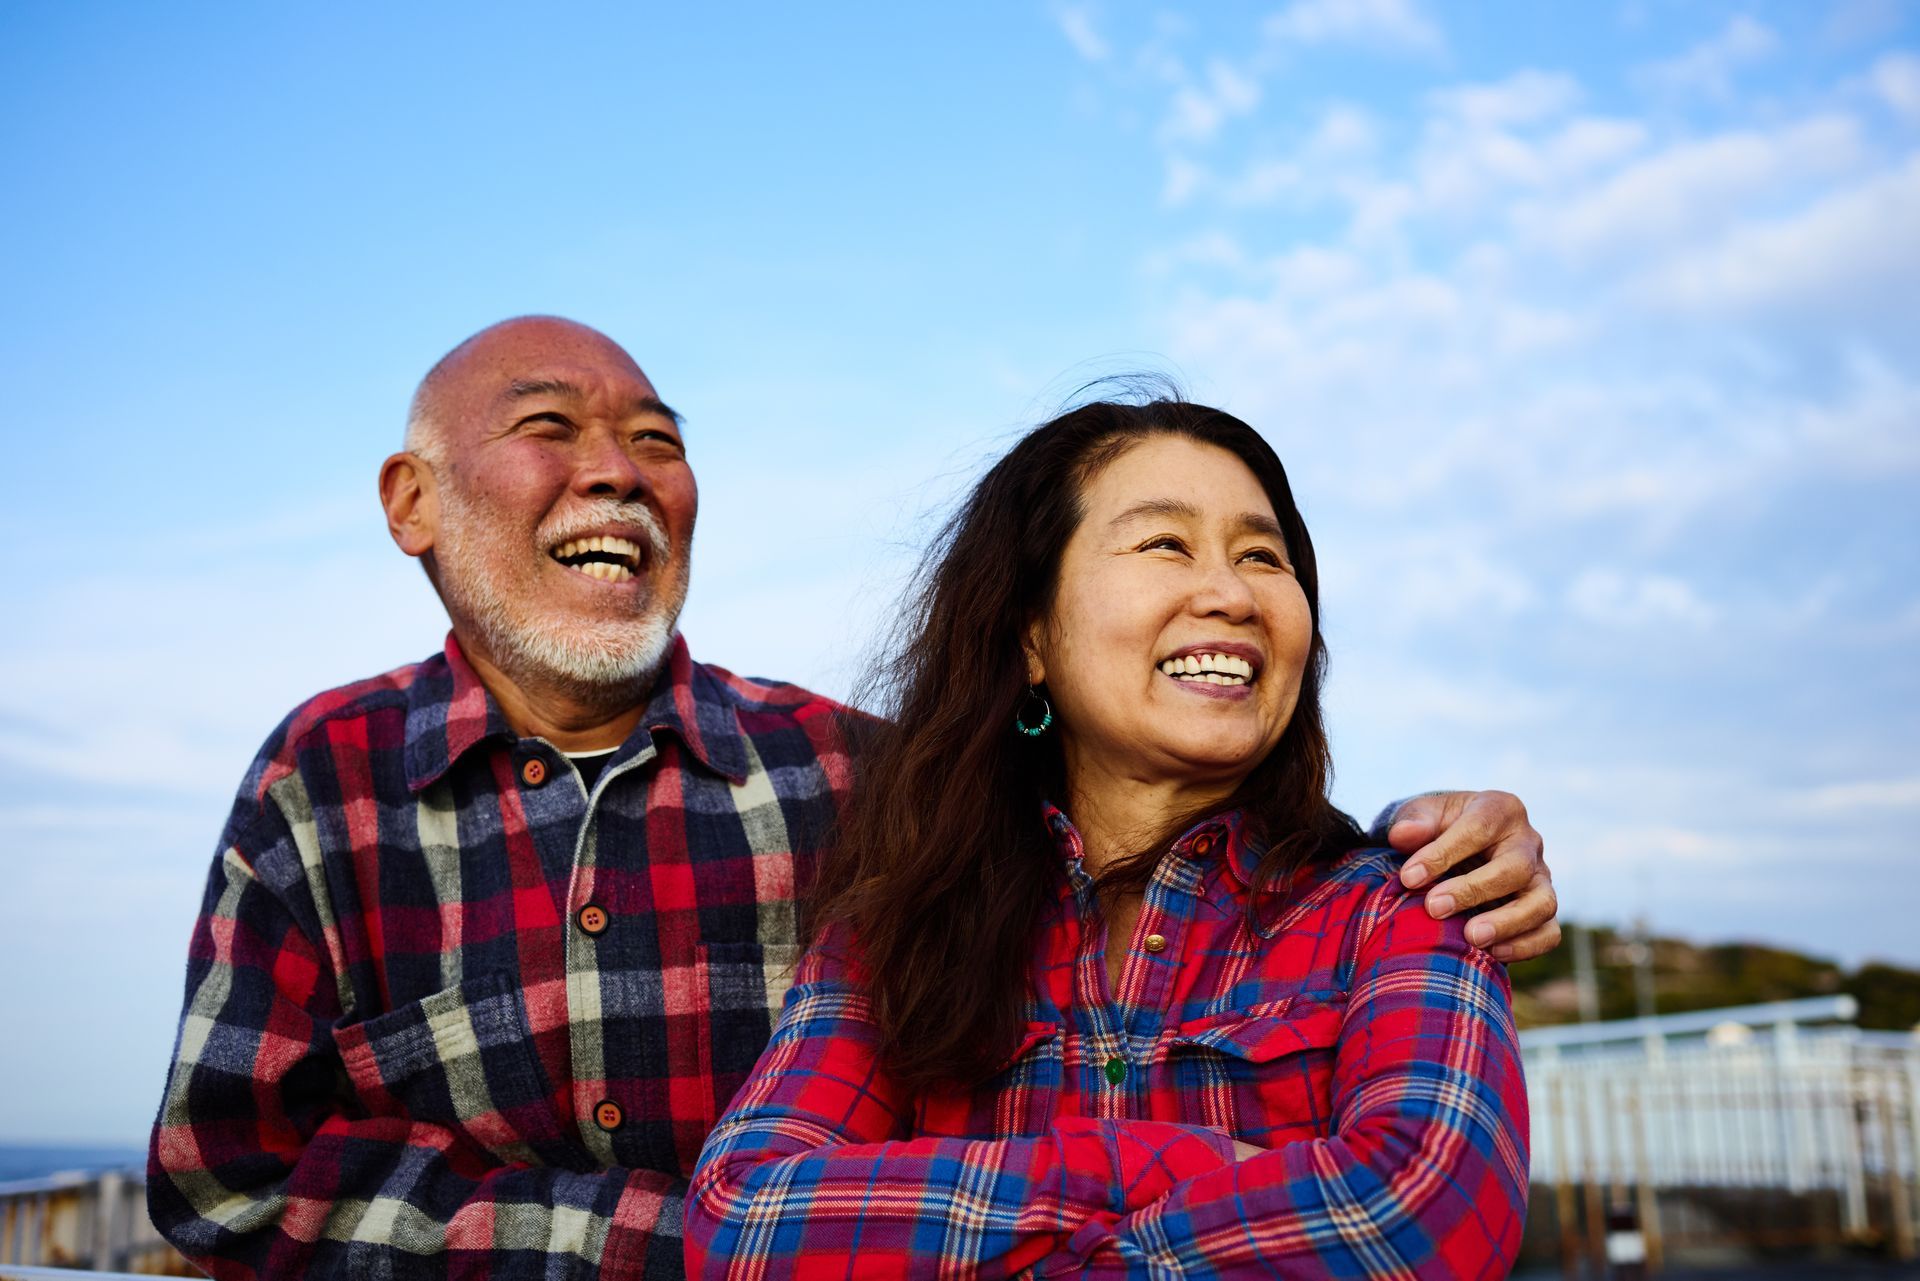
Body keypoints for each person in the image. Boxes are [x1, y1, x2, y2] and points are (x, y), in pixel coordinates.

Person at [148, 318, 1553, 1279]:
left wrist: (1449, 832)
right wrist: (660, 1246)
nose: (618, 471)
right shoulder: (320, 783)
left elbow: (1420, 1207)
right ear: (413, 500)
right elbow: (224, 1184)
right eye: (550, 427)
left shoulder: (870, 784)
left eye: (655, 437)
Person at [686, 399, 1530, 1277]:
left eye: (1263, 557)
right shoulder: (891, 933)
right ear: (1032, 634)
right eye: (1165, 544)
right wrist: (1149, 1165)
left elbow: (1424, 1222)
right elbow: (745, 1223)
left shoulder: (1409, 902)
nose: (1232, 594)